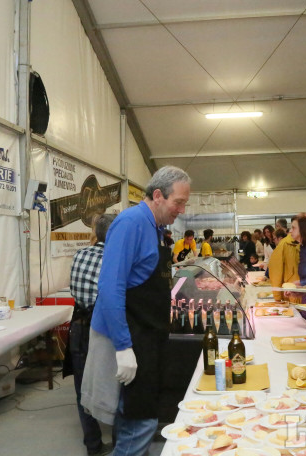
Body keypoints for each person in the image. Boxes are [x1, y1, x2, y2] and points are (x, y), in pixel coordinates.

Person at [81, 166, 191, 456]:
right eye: (177, 202)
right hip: (130, 334)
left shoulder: (155, 227)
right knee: (138, 421)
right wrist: (123, 346)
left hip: (146, 333)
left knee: (139, 419)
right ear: (157, 195)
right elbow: (110, 287)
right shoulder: (131, 223)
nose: (181, 209)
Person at [67, 213, 116, 456]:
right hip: (105, 330)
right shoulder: (115, 258)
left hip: (79, 327)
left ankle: (93, 445)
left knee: (82, 389)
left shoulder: (79, 254)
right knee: (115, 385)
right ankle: (120, 441)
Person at [268, 219, 299, 301]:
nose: (290, 230)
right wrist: (277, 297)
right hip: (291, 294)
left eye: (293, 228)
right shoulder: (284, 245)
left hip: (302, 294)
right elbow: (276, 273)